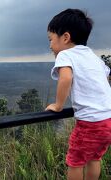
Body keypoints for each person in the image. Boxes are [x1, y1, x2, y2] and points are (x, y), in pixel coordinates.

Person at [45, 9, 111, 180]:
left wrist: (58, 105)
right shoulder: (93, 56)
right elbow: (105, 76)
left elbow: (65, 78)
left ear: (65, 37)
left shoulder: (65, 54)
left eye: (51, 39)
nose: (50, 45)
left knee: (75, 161)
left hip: (90, 122)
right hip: (108, 118)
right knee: (95, 158)